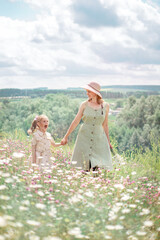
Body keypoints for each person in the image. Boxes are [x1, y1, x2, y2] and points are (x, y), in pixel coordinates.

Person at [61, 82, 113, 171]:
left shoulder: (105, 106)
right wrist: (66, 136)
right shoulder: (84, 105)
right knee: (83, 163)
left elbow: (105, 125)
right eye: (87, 91)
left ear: (95, 93)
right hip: (84, 136)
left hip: (99, 138)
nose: (87, 93)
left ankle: (97, 182)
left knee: (98, 165)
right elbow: (76, 121)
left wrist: (108, 141)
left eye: (89, 91)